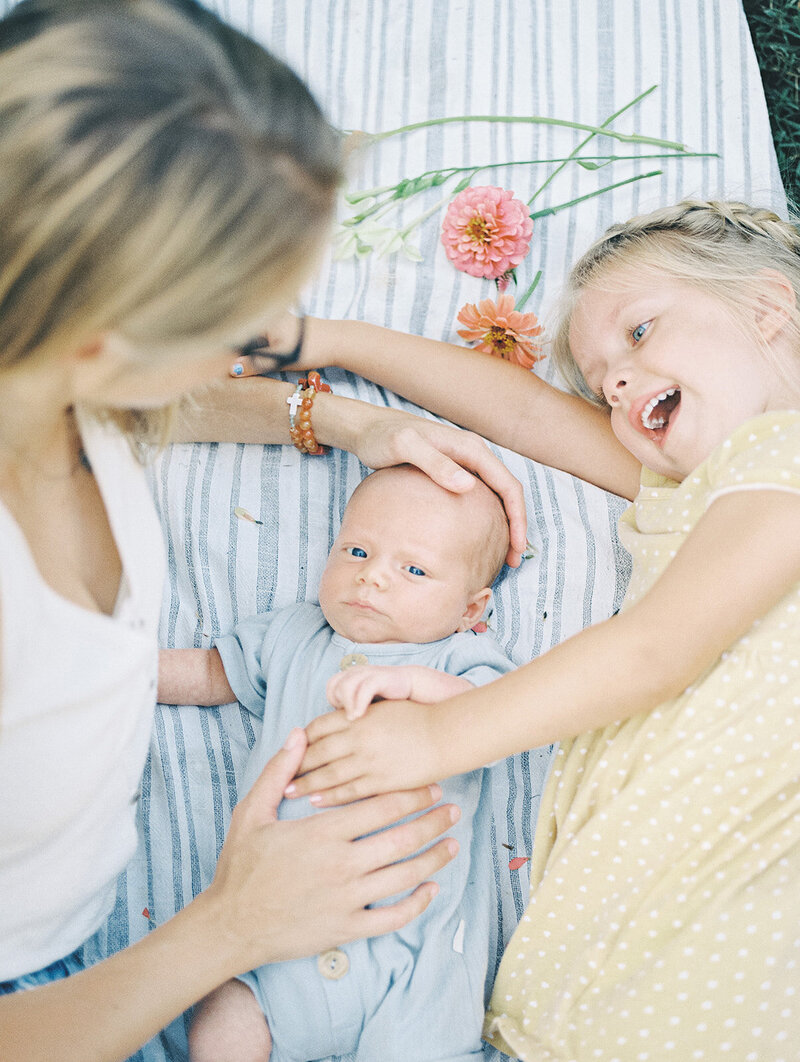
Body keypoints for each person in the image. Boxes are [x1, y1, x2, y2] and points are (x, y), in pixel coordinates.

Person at [0, 3, 526, 1060]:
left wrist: (341, 417)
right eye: (251, 332)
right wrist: (228, 929)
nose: (276, 352)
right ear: (107, 340)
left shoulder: (56, 386)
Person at [279, 200, 800, 1059]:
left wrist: (443, 734)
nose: (621, 385)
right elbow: (520, 416)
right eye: (603, 386)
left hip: (732, 929)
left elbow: (653, 652)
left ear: (768, 308)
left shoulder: (783, 458)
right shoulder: (695, 488)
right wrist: (329, 341)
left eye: (639, 333)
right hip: (642, 940)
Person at [159, 464, 514, 1062]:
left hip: (412, 958)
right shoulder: (296, 633)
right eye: (356, 550)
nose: (372, 576)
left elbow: (504, 719)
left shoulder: (462, 659)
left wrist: (411, 684)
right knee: (219, 1022)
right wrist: (110, 672)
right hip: (272, 942)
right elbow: (210, 673)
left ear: (470, 608)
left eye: (414, 569)